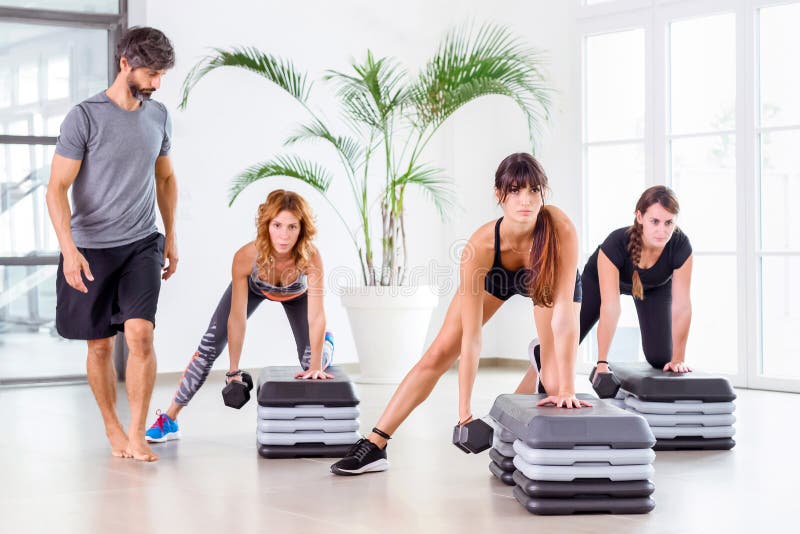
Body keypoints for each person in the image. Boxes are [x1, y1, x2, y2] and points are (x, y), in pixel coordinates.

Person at [330, 152, 588, 476]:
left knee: (553, 383)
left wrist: (566, 389)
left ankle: (542, 363)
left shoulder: (559, 227)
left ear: (543, 193)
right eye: (516, 191)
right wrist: (464, 411)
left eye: (534, 190)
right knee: (439, 351)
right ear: (499, 195)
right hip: (498, 274)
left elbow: (564, 317)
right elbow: (472, 338)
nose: (526, 199)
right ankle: (375, 443)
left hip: (546, 276)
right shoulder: (480, 247)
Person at [45, 27, 178, 462]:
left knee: (140, 335)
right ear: (124, 63)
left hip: (142, 242)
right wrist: (68, 249)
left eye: (161, 74)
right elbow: (56, 188)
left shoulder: (158, 116)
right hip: (91, 248)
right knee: (100, 345)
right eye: (151, 72)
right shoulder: (84, 117)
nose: (156, 83)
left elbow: (166, 177)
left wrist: (171, 235)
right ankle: (112, 427)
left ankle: (138, 433)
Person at [145, 189, 335, 443]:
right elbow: (237, 318)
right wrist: (233, 371)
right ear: (266, 224)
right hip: (257, 289)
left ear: (302, 229)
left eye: (292, 227)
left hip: (296, 297)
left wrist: (314, 368)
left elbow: (316, 316)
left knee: (314, 363)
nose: (284, 235)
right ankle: (170, 418)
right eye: (277, 225)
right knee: (209, 345)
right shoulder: (246, 257)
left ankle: (328, 345)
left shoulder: (311, 257)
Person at [579, 185, 693, 377]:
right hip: (599, 281)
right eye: (655, 221)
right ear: (639, 217)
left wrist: (678, 358)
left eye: (668, 223)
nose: (662, 230)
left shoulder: (680, 246)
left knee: (661, 358)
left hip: (654, 286)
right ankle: (542, 352)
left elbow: (682, 306)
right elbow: (611, 307)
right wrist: (601, 362)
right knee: (570, 337)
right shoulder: (615, 243)